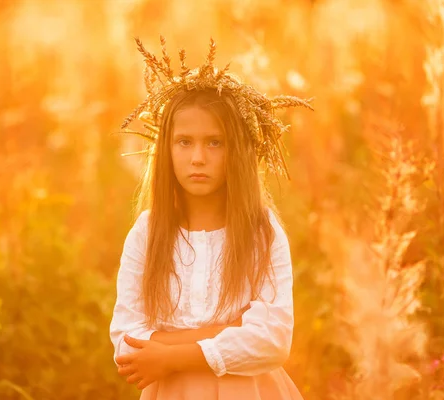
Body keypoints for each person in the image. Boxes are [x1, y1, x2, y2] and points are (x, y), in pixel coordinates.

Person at [109, 36, 313, 400]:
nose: (198, 157)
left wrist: (171, 355)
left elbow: (273, 340)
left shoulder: (260, 231)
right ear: (166, 149)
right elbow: (126, 343)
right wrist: (229, 328)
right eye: (184, 142)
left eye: (214, 142)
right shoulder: (147, 233)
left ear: (236, 151)